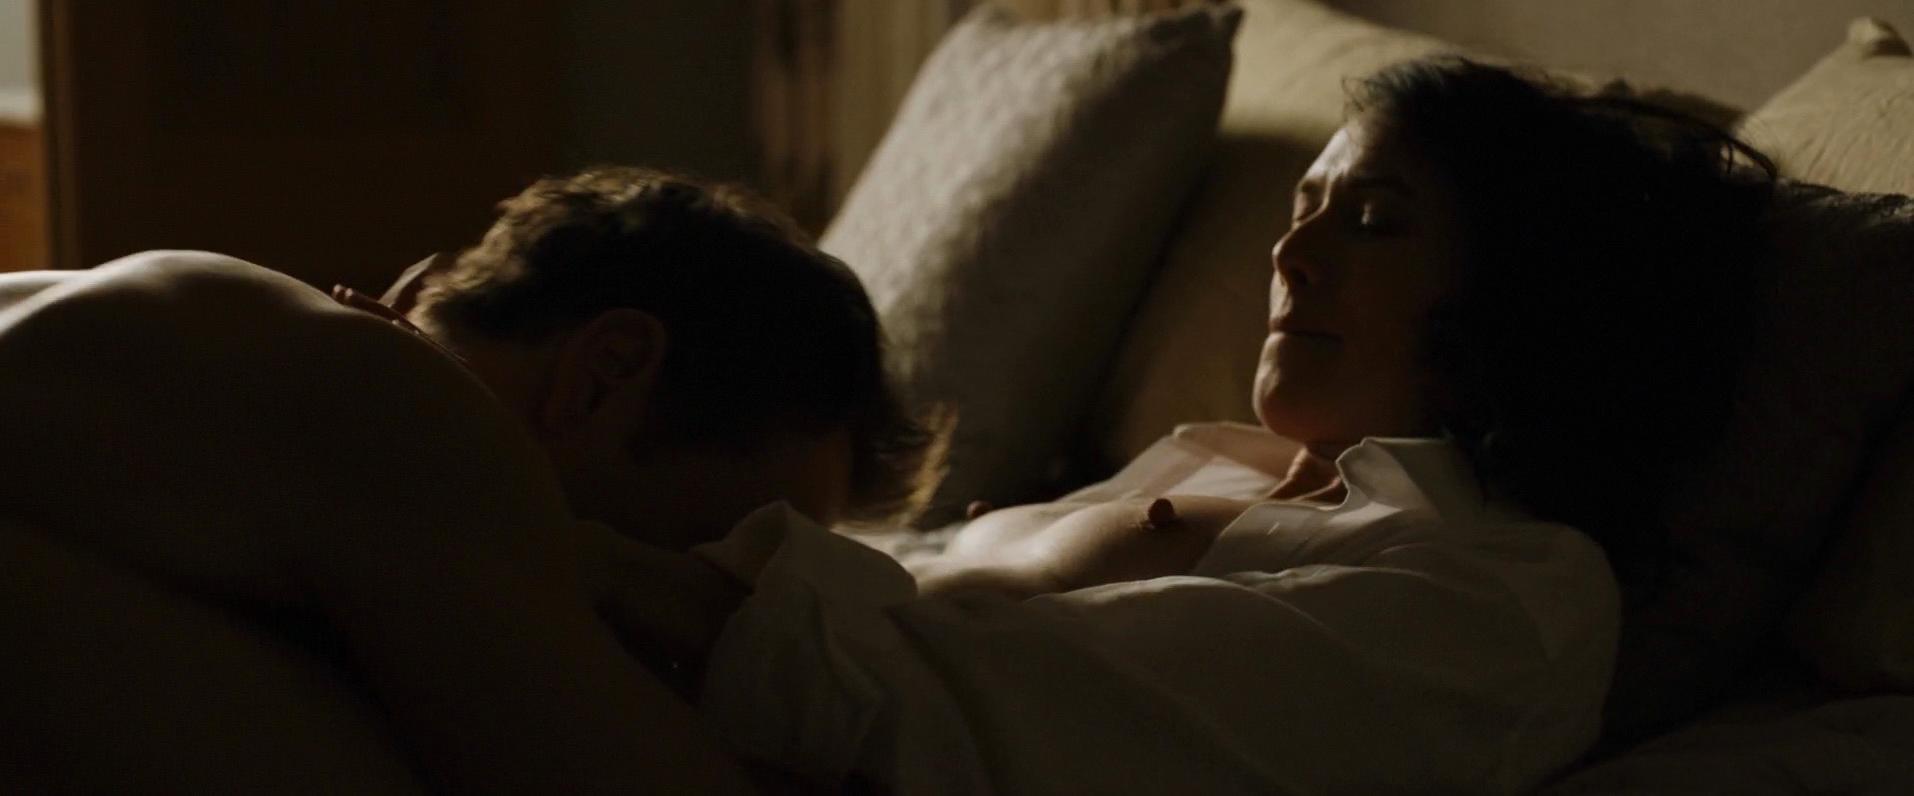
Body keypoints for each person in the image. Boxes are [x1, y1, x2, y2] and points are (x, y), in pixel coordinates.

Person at [0, 56, 1777, 793]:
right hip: (598, 669)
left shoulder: (1494, 595)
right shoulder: (1215, 469)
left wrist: (565, 557)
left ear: (1532, 299)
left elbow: (971, 716)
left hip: (719, 737)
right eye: (1299, 205)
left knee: (271, 366)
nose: (1289, 249)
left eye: (1367, 220)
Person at [0, 167, 939, 793]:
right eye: (721, 550)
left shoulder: (236, 352)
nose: (699, 628)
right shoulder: (393, 416)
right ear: (603, 375)